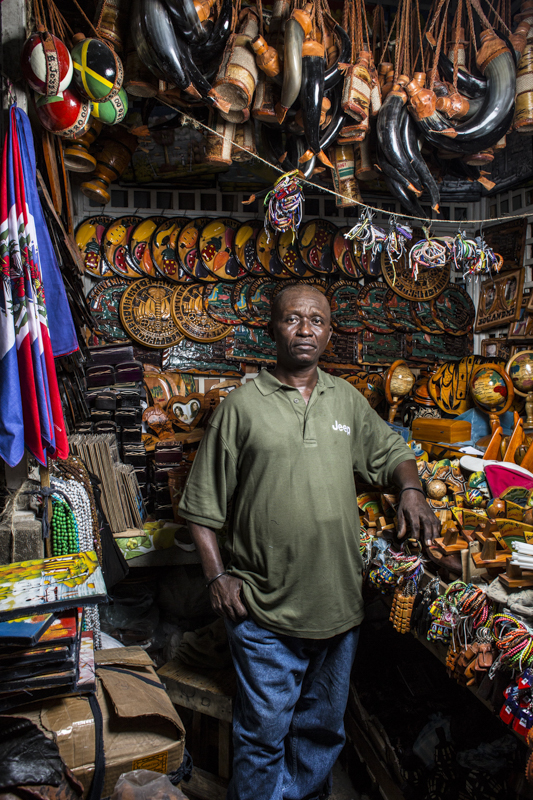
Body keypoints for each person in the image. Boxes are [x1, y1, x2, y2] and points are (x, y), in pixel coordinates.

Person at [179, 284, 440, 800]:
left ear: (328, 331)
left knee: (321, 734)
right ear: (272, 327)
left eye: (316, 321)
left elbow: (391, 451)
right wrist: (216, 576)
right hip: (264, 611)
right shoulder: (241, 406)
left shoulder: (345, 398)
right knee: (262, 738)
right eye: (293, 319)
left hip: (338, 608)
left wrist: (410, 487)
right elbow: (200, 507)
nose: (305, 330)